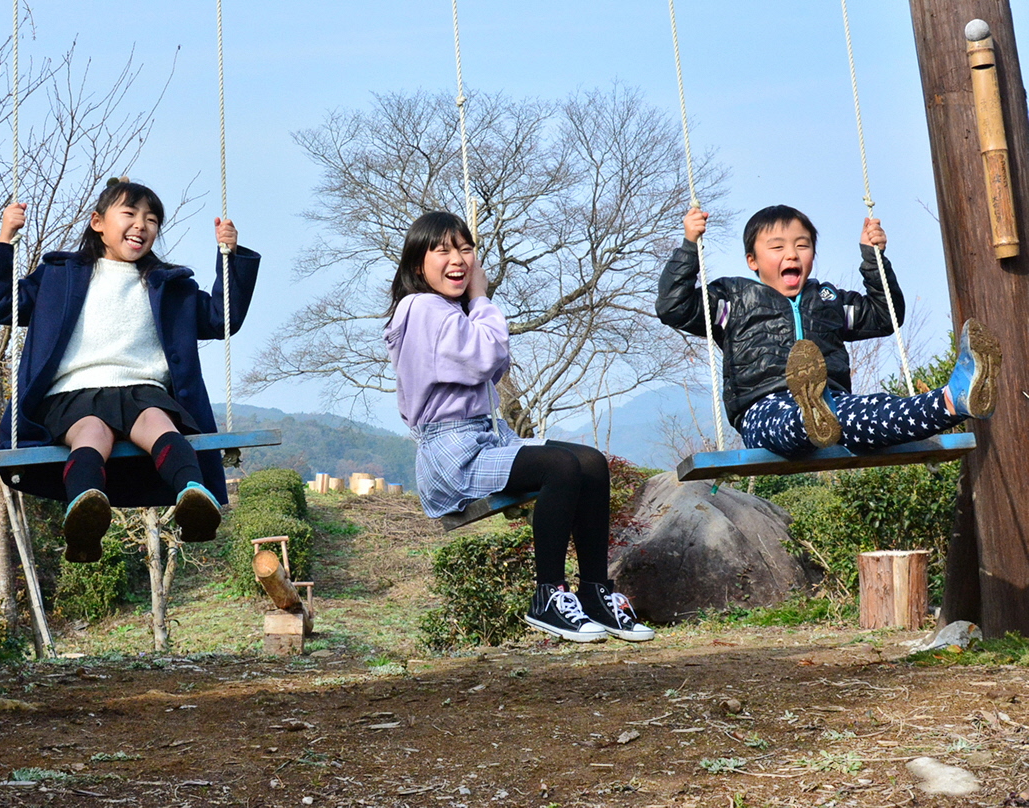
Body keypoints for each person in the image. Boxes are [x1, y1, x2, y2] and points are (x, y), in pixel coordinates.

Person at [384, 210, 653, 644]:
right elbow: (487, 358)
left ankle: (595, 592)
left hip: (484, 438)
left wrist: (473, 305)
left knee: (590, 462)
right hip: (452, 451)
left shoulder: (446, 311)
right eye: (443, 250)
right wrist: (482, 297)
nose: (458, 259)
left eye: (465, 249)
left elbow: (488, 363)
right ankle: (548, 595)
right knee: (560, 467)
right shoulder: (423, 307)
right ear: (418, 264)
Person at [0, 178, 260, 563]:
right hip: (74, 391)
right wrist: (5, 237)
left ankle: (193, 498)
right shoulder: (60, 276)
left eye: (152, 219)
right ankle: (85, 513)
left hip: (143, 390)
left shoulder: (169, 285)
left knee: (161, 425)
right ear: (98, 222)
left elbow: (221, 318)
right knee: (91, 434)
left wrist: (229, 257)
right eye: (129, 213)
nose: (141, 225)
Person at [656, 204, 1001, 458]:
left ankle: (954, 399)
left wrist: (873, 259)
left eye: (802, 245)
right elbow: (674, 307)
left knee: (874, 410)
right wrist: (689, 247)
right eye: (777, 247)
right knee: (789, 420)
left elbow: (885, 316)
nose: (791, 253)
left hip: (832, 401)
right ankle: (811, 418)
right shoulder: (733, 300)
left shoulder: (828, 300)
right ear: (753, 260)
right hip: (762, 406)